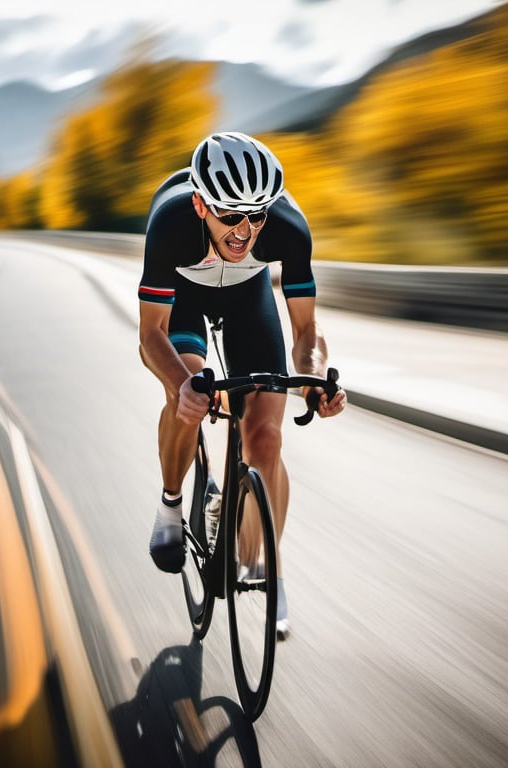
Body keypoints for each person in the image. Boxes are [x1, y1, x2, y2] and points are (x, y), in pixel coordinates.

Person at [137, 132, 346, 639]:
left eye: (256, 216)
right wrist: (184, 385)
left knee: (266, 438)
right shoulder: (172, 225)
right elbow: (150, 336)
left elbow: (306, 332)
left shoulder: (288, 229)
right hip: (184, 293)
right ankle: (170, 502)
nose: (244, 231)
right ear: (200, 204)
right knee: (187, 388)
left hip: (248, 297)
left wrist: (316, 379)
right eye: (230, 216)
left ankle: (265, 562)